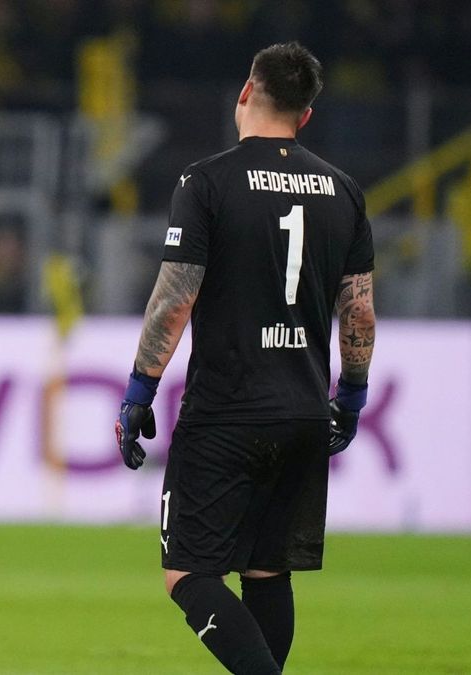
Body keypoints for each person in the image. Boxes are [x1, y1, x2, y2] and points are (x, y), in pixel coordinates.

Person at [115, 42, 376, 674]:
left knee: (188, 573)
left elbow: (174, 299)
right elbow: (359, 311)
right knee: (267, 570)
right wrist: (352, 395)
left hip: (228, 409)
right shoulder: (343, 191)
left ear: (244, 93)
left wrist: (139, 391)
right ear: (306, 115)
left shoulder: (206, 181)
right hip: (304, 410)